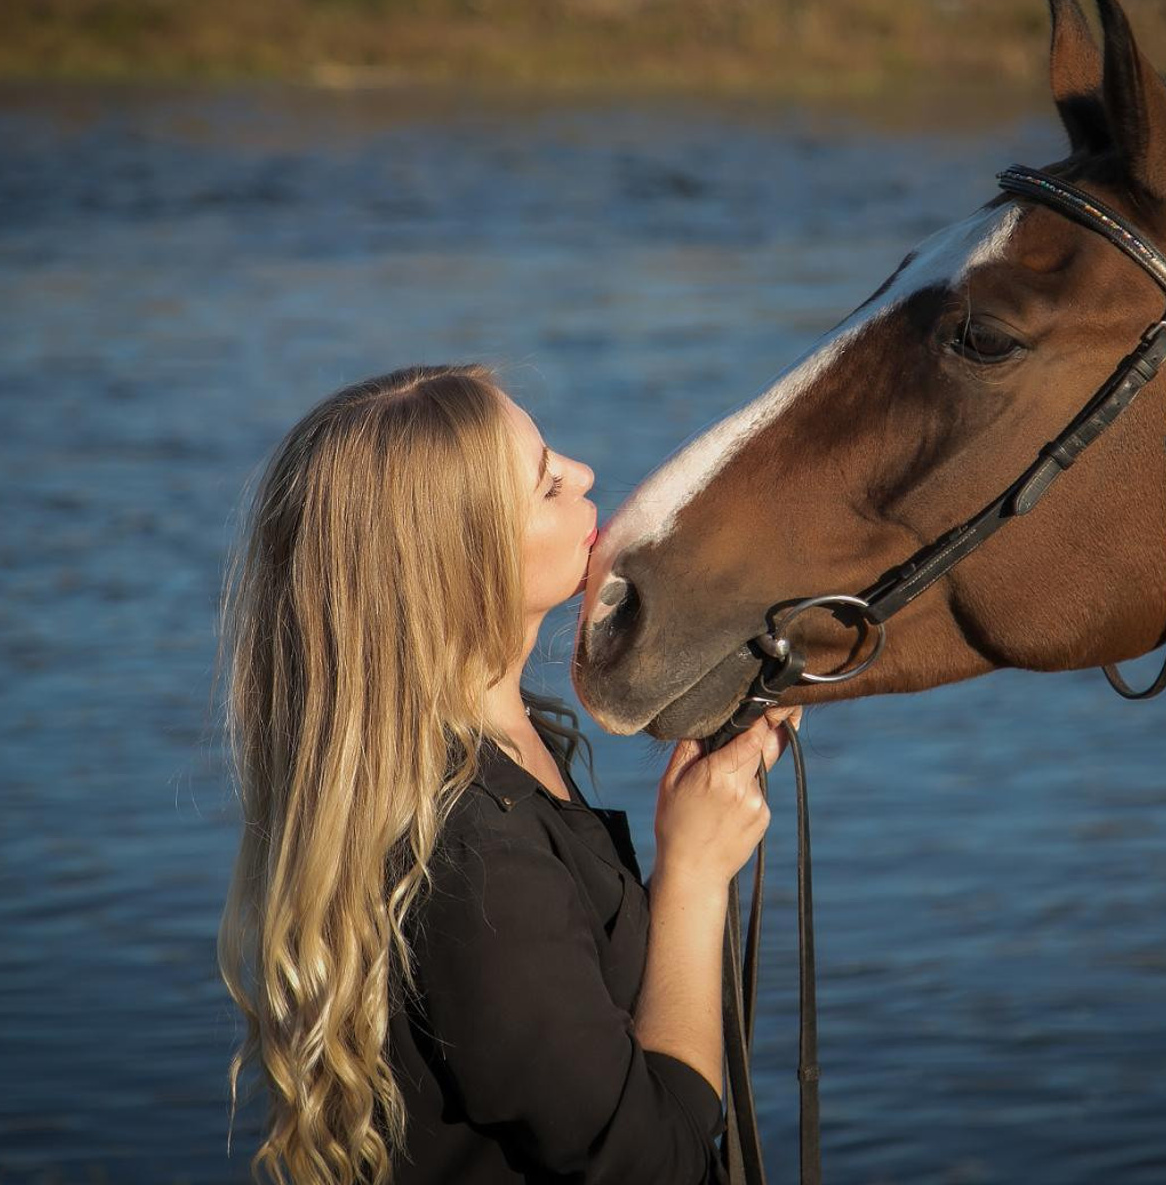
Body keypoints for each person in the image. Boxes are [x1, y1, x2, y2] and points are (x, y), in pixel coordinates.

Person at [217, 364, 798, 1184]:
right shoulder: (477, 860)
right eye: (547, 483)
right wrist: (696, 877)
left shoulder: (503, 750)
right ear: (464, 561)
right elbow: (653, 1165)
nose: (586, 475)